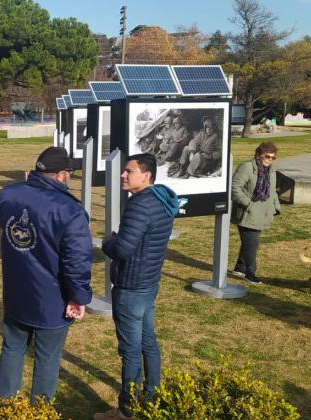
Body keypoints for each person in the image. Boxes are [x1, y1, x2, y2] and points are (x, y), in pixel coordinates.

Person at [0, 146, 93, 401]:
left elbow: (3, 220)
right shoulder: (70, 211)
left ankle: (6, 406)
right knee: (47, 356)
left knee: (12, 347)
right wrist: (78, 298)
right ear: (61, 175)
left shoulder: (9, 194)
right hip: (52, 298)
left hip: (16, 289)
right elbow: (77, 262)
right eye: (69, 172)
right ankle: (39, 410)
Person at [94, 153, 179, 420]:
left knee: (130, 351)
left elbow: (123, 249)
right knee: (148, 342)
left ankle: (126, 411)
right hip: (149, 282)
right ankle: (152, 397)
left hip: (131, 287)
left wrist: (107, 241)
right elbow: (142, 241)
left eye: (129, 171)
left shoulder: (139, 205)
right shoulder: (162, 200)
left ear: (146, 176)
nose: (123, 175)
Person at [230, 141, 280, 284]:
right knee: (252, 242)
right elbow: (235, 187)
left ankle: (240, 268)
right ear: (259, 154)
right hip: (247, 212)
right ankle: (250, 273)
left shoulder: (271, 171)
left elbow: (272, 190)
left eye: (273, 158)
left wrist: (276, 206)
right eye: (267, 156)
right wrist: (248, 204)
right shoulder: (247, 167)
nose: (269, 160)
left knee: (249, 242)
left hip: (263, 212)